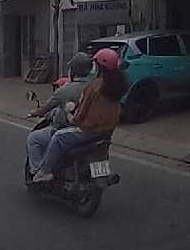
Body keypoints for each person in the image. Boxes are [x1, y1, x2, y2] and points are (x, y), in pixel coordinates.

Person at [28, 48, 128, 183]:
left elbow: (80, 114)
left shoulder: (93, 87)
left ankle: (44, 171)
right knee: (101, 152)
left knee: (57, 137)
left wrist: (69, 114)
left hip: (87, 131)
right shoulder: (117, 87)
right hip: (106, 132)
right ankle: (102, 175)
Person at [28, 52, 94, 125]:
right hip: (89, 126)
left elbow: (45, 109)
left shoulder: (64, 90)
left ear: (73, 70)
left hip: (66, 126)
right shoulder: (95, 87)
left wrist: (34, 112)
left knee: (38, 133)